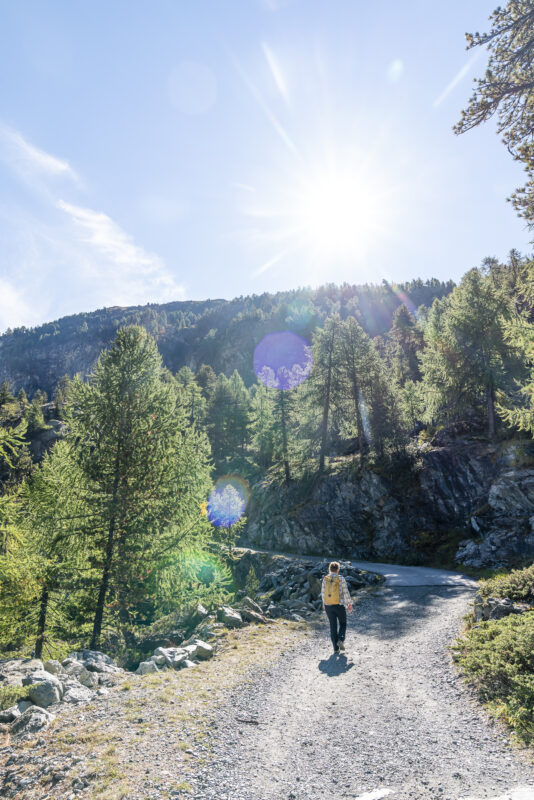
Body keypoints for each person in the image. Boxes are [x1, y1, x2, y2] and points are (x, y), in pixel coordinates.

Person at [321, 561, 353, 654]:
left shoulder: (325, 579)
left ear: (329, 569)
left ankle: (335, 648)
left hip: (328, 606)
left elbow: (323, 593)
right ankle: (341, 639)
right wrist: (349, 604)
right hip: (339, 605)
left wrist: (324, 604)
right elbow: (346, 592)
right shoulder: (341, 579)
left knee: (333, 626)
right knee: (343, 623)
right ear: (338, 569)